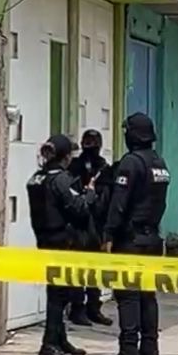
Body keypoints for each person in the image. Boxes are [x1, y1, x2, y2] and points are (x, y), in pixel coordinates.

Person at [96, 113, 170, 355]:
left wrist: (108, 234)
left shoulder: (131, 162)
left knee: (127, 296)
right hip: (152, 239)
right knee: (148, 296)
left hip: (131, 240)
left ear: (133, 134)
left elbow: (119, 204)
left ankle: (128, 352)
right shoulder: (159, 163)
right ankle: (150, 352)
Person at [27, 134, 97, 355]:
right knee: (59, 294)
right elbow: (78, 209)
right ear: (65, 157)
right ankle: (49, 344)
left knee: (58, 291)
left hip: (44, 239)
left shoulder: (36, 178)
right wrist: (89, 193)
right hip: (62, 241)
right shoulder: (61, 180)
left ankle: (59, 338)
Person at [66, 129, 114, 327]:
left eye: (93, 142)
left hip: (97, 224)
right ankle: (77, 309)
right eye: (88, 142)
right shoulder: (74, 166)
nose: (90, 146)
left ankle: (94, 307)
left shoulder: (104, 168)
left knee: (94, 269)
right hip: (78, 224)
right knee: (78, 269)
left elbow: (108, 198)